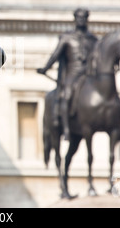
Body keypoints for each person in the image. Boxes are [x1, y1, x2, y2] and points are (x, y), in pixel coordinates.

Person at [37, 8, 97, 140]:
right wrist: (45, 68)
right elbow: (55, 55)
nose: (81, 19)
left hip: (87, 76)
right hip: (72, 74)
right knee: (67, 95)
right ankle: (66, 128)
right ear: (75, 19)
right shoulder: (67, 38)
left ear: (87, 19)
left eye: (84, 17)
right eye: (79, 17)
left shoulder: (93, 39)